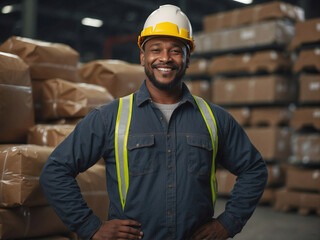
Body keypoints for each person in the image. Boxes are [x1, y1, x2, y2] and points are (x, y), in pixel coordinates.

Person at [40, 4, 268, 240]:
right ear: (143, 56)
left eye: (176, 51)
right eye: (155, 49)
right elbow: (55, 171)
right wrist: (90, 227)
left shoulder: (215, 119)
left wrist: (227, 224)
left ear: (188, 58)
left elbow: (254, 169)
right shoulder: (110, 117)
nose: (165, 58)